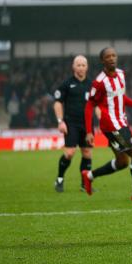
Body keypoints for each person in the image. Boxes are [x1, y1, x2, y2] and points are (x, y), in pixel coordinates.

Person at [81, 47, 132, 201]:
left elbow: (121, 97)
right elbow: (89, 106)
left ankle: (89, 175)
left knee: (122, 162)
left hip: (121, 122)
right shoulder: (99, 82)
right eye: (108, 56)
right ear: (102, 60)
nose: (112, 58)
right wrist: (89, 131)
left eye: (114, 55)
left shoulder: (121, 74)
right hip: (112, 125)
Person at [52, 55, 94, 192]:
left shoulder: (92, 85)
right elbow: (57, 103)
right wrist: (60, 121)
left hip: (87, 124)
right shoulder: (67, 84)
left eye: (83, 65)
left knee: (87, 153)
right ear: (73, 67)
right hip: (71, 123)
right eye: (78, 65)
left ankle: (85, 185)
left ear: (87, 67)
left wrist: (103, 120)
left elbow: (98, 105)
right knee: (69, 153)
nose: (81, 68)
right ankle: (59, 179)